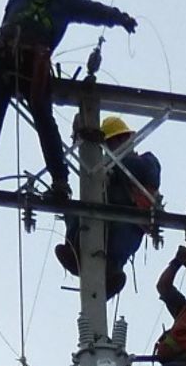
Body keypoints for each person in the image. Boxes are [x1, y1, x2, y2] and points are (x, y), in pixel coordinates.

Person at [0, 0, 138, 201]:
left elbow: (6, 24)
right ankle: (60, 180)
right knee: (44, 120)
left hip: (3, 57)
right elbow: (93, 11)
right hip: (35, 63)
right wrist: (120, 19)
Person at [54, 115, 162, 298]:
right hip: (99, 212)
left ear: (128, 139)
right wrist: (82, 140)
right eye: (110, 143)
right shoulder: (100, 169)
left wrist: (113, 164)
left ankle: (112, 272)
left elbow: (146, 172)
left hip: (129, 218)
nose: (114, 146)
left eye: (118, 140)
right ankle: (74, 250)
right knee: (74, 210)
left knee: (123, 236)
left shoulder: (147, 160)